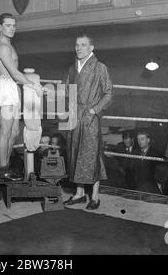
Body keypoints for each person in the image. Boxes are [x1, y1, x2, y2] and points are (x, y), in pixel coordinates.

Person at [0, 13, 43, 182]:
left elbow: (15, 75)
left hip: (12, 87)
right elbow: (14, 73)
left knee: (14, 132)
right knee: (5, 130)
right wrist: (33, 85)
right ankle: (2, 170)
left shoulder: (9, 45)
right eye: (8, 25)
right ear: (0, 27)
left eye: (14, 25)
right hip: (5, 86)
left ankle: (5, 168)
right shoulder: (2, 47)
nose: (12, 28)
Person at [64, 34, 112, 210]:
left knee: (93, 155)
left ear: (91, 48)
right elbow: (65, 91)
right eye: (77, 45)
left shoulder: (100, 68)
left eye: (83, 45)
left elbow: (108, 94)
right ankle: (79, 194)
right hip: (74, 116)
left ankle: (95, 196)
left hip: (90, 117)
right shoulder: (72, 69)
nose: (79, 48)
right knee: (75, 153)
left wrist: (94, 110)